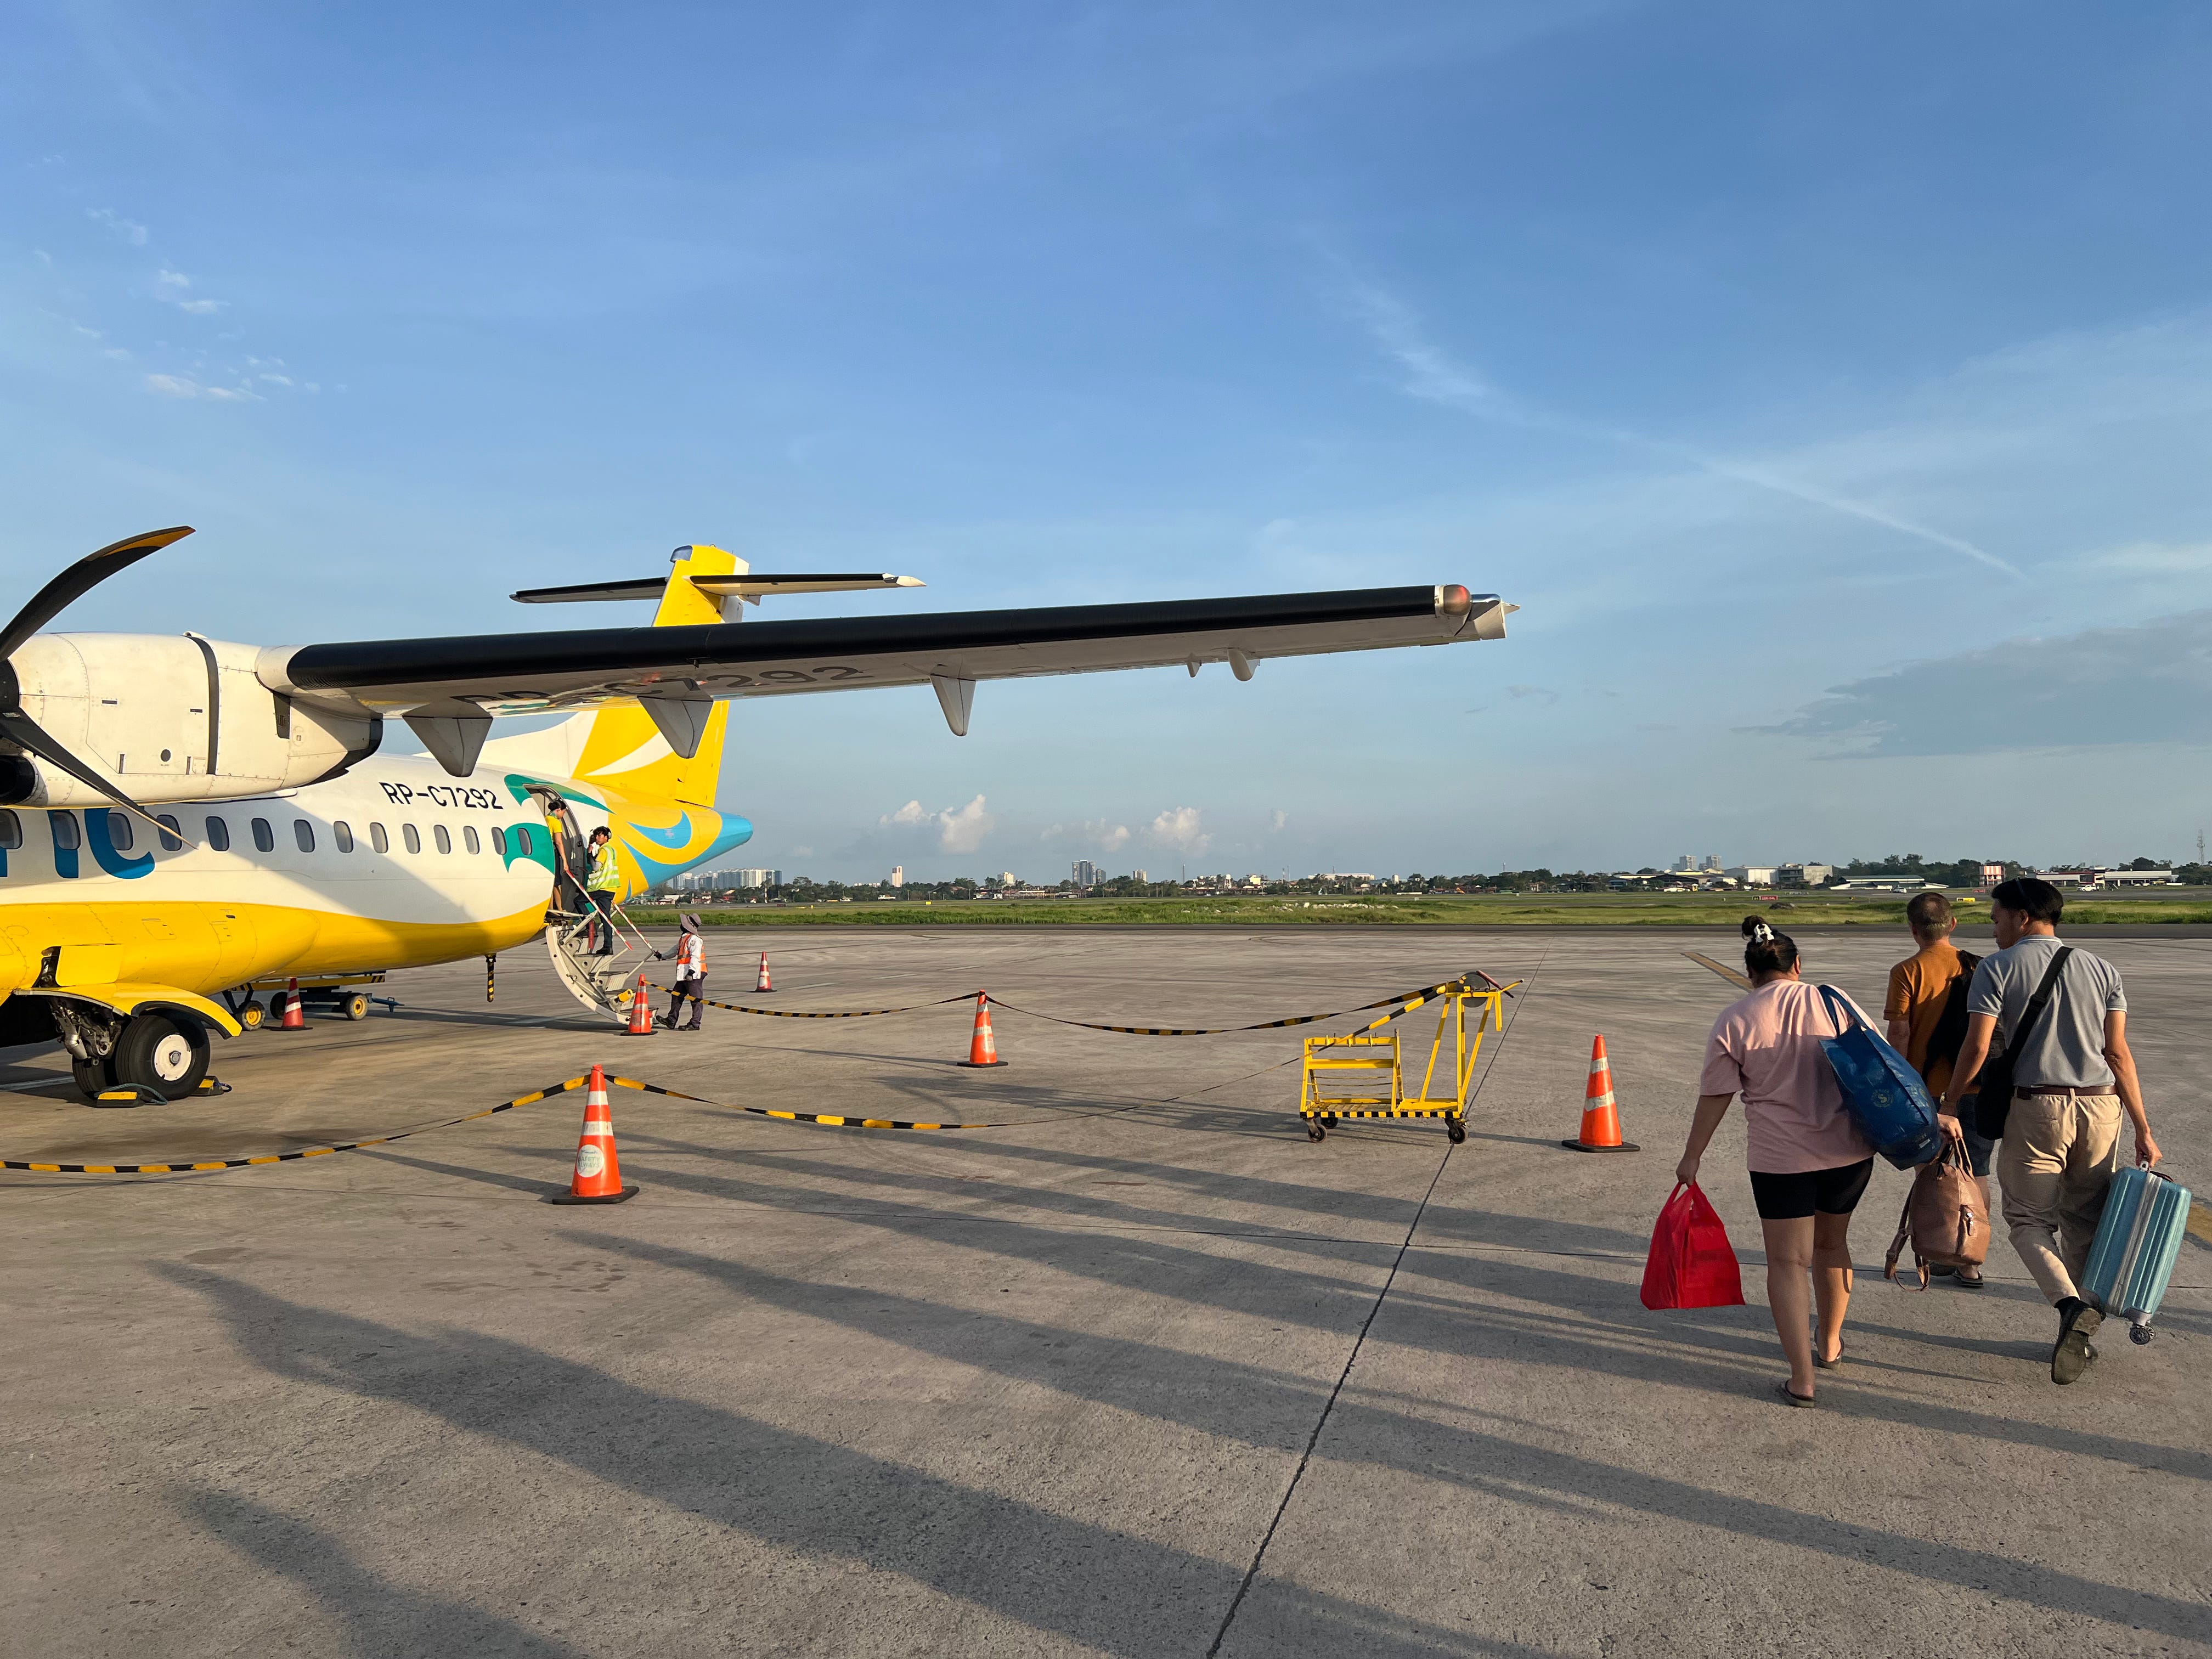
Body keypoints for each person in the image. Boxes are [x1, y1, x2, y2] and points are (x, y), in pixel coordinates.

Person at [1939, 877, 2159, 1386]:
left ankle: (2069, 1307)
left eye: (1996, 918)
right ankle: (2082, 1329)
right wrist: (2143, 1128)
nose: (1994, 930)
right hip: (2102, 1107)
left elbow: (1978, 1047)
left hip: (2039, 1107)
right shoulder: (2103, 968)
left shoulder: (1996, 967)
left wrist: (1950, 1102)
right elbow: (2118, 1053)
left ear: (2022, 917)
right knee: (2085, 1219)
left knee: (2027, 1219)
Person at [1675, 917, 1877, 1408]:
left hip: (1780, 1159)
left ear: (1750, 972)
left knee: (1788, 1263)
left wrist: (1692, 1156)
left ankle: (1802, 1379)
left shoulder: (1735, 1019)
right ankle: (1831, 1343)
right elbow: (1880, 1062)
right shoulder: (1837, 1001)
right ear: (1797, 965)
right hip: (1848, 1152)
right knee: (1833, 1245)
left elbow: (1716, 1094)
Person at [1883, 891, 1990, 1286]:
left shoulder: (1906, 971)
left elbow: (1899, 1033)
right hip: (1974, 1085)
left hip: (1924, 1089)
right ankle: (1971, 1259)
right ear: (1953, 924)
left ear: (1913, 929)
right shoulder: (1979, 966)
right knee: (1976, 1172)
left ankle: (1939, 1247)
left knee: (1931, 1172)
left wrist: (1898, 1082)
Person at [665, 913, 706, 1031]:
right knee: (676, 995)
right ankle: (671, 1020)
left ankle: (695, 1023)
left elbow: (695, 957)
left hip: (694, 974)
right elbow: (674, 951)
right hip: (684, 974)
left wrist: (691, 972)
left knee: (695, 999)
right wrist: (662, 956)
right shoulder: (684, 939)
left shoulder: (695, 940)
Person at [585, 825, 621, 956]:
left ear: (606, 837)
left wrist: (589, 853)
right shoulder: (611, 850)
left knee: (579, 901)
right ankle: (608, 946)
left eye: (600, 835)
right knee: (606, 918)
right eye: (596, 835)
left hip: (602, 888)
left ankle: (588, 925)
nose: (597, 838)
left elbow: (595, 867)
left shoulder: (604, 851)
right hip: (610, 888)